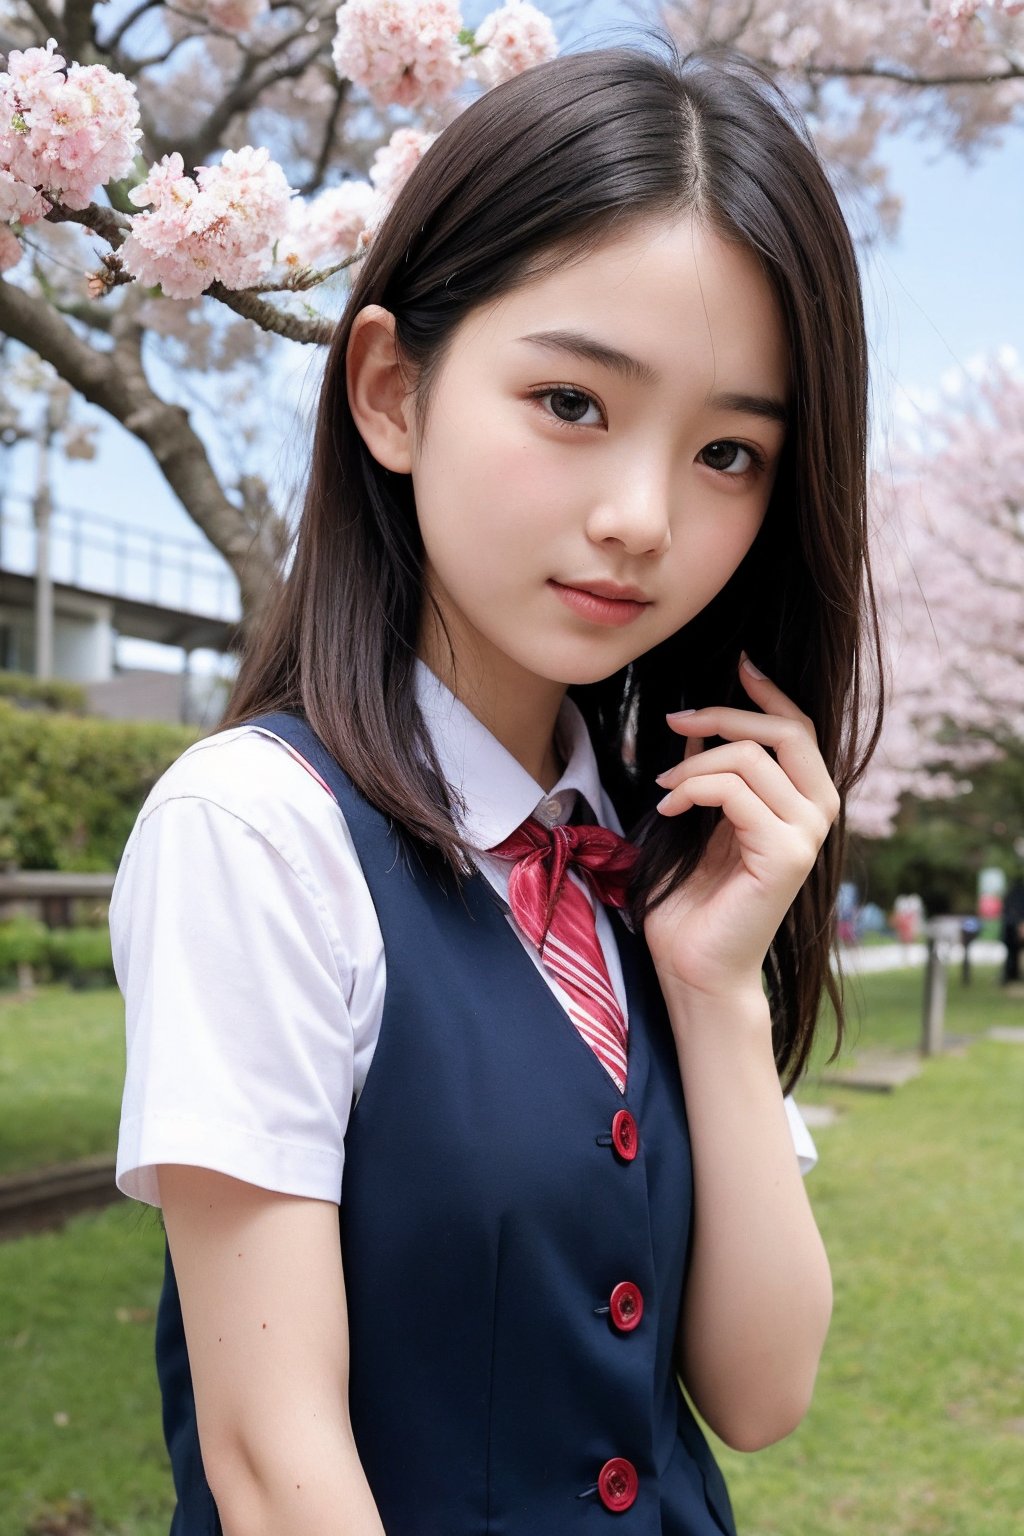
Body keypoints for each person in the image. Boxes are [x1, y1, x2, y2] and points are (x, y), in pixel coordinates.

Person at [112, 43, 882, 1536]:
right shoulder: (258, 832)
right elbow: (275, 1472)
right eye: (574, 403)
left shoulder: (655, 854)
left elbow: (764, 1388)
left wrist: (716, 992)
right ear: (394, 391)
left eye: (729, 450)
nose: (643, 518)